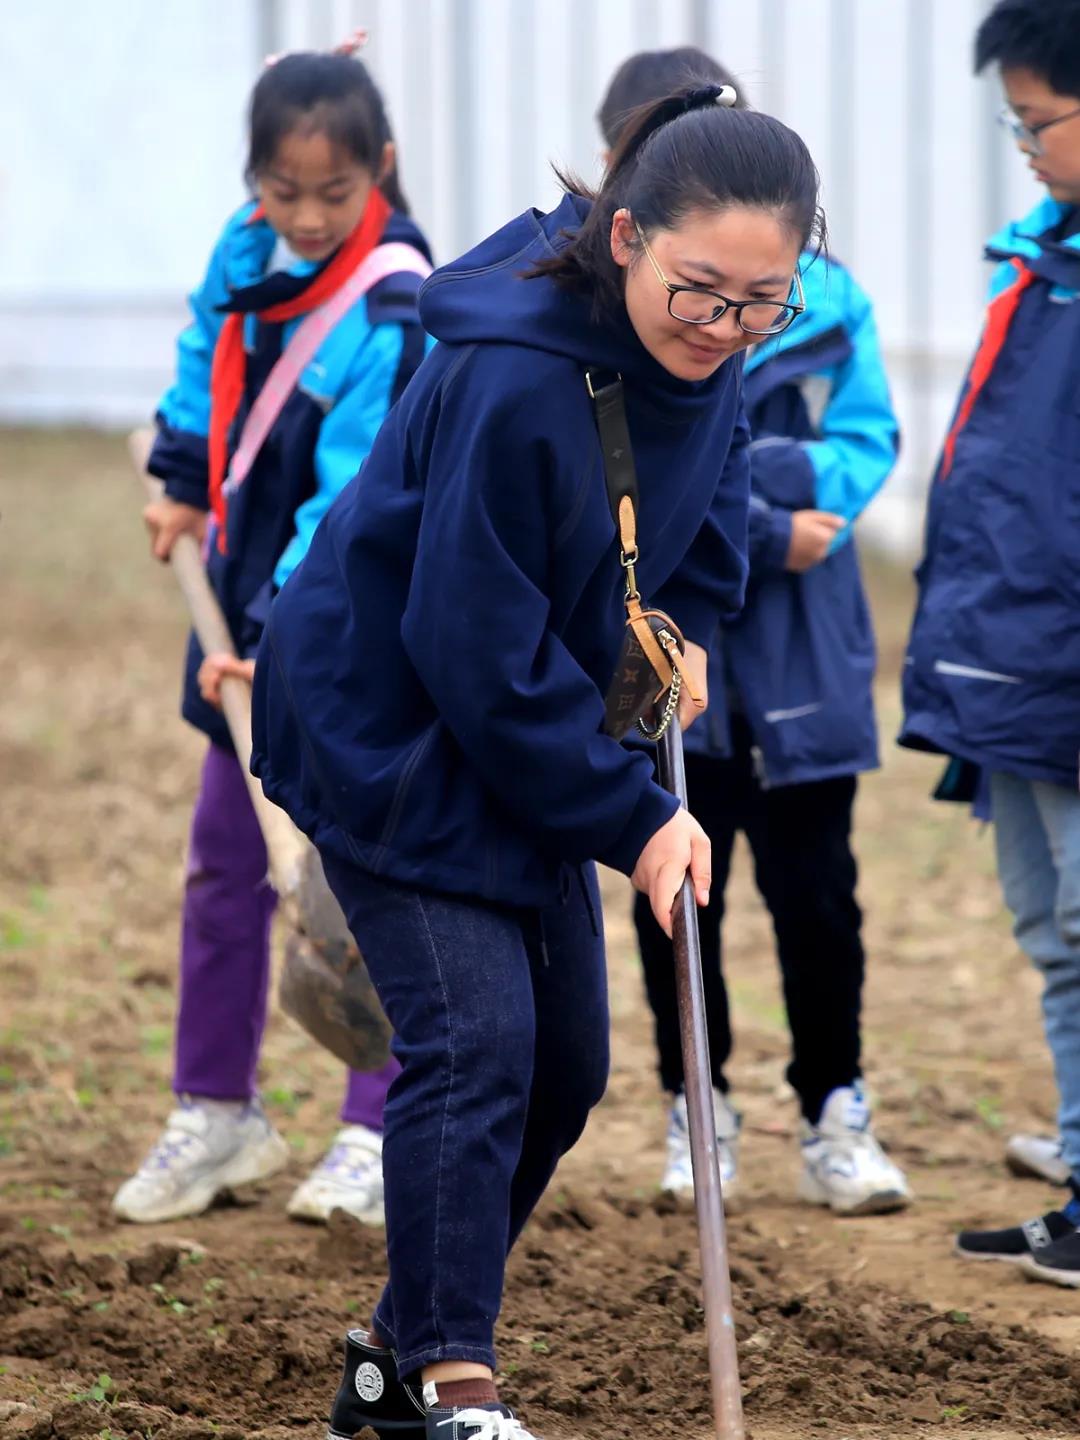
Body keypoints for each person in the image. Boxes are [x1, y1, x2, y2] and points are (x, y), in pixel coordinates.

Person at [252, 83, 822, 1440]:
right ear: (624, 238)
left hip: (529, 725)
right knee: (478, 1042)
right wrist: (632, 822)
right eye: (700, 293)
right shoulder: (512, 377)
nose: (727, 331)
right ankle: (457, 1387)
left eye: (764, 304)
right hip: (394, 723)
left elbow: (705, 538)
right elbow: (465, 638)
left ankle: (390, 1364)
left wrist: (678, 631)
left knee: (564, 1068)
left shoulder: (715, 351)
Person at [112, 40, 432, 1228]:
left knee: (355, 885)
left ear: (381, 171)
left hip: (345, 623)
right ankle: (218, 1108)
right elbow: (210, 353)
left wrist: (285, 634)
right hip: (243, 603)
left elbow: (353, 503)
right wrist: (185, 475)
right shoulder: (247, 247)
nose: (302, 216)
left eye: (330, 195)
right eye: (279, 190)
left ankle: (378, 1127)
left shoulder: (398, 305)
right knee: (226, 864)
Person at [601, 48, 909, 1216]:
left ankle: (837, 1109)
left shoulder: (829, 304)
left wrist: (773, 498)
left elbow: (863, 444)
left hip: (802, 650)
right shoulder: (613, 311)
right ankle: (699, 1108)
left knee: (818, 889)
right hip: (657, 639)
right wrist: (763, 507)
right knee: (668, 877)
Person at [899, 0, 1080, 1288]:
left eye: (1039, 120)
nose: (1022, 143)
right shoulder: (1042, 262)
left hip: (1063, 661)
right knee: (1053, 927)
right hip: (1010, 657)